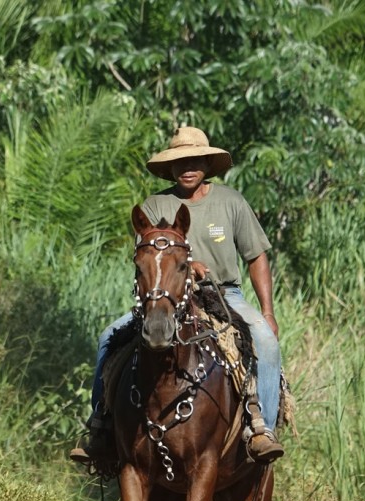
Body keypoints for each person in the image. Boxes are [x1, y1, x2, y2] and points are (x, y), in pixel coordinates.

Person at [70, 126, 284, 470]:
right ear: (170, 167)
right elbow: (155, 252)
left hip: (224, 293)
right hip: (165, 297)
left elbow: (256, 256)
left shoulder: (231, 202)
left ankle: (262, 430)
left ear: (207, 163)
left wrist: (268, 311)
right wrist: (185, 266)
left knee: (266, 341)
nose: (187, 166)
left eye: (195, 159)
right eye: (179, 161)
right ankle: (102, 428)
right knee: (109, 336)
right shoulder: (157, 205)